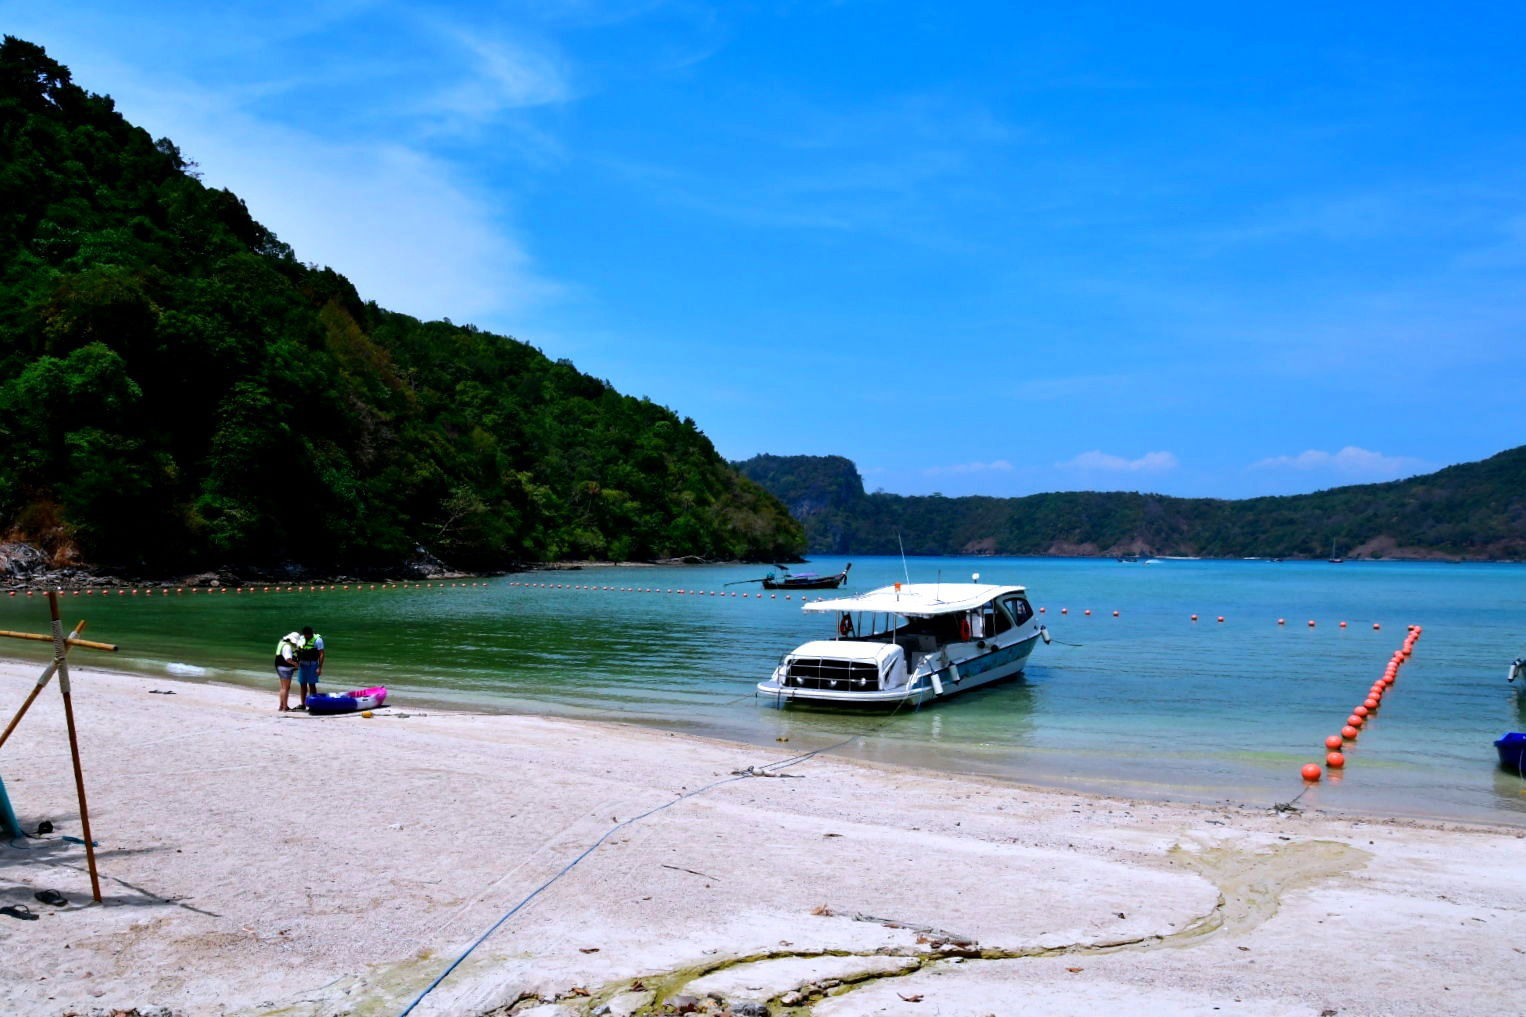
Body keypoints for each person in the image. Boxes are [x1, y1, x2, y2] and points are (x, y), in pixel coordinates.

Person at [296, 626, 325, 706]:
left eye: (308, 635)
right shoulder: (301, 639)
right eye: (305, 635)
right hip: (302, 665)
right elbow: (298, 651)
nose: (306, 636)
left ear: (311, 633)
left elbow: (321, 654)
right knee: (302, 684)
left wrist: (319, 667)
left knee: (312, 685)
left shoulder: (318, 640)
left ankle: (314, 704)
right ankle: (303, 704)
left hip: (312, 665)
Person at [273, 631, 302, 712]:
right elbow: (288, 659)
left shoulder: (282, 642)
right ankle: (285, 707)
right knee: (286, 688)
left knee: (283, 687)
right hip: (285, 668)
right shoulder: (288, 647)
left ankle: (281, 705)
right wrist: (296, 664)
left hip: (279, 666)